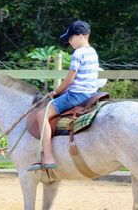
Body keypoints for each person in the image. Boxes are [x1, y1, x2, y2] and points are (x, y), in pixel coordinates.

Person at [27, 20, 101, 171]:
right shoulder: (92, 52)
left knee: (42, 114)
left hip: (76, 95)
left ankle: (47, 156)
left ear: (80, 36)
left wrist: (55, 92)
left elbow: (69, 80)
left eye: (71, 38)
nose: (69, 41)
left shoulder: (78, 53)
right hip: (90, 93)